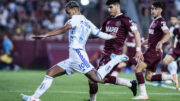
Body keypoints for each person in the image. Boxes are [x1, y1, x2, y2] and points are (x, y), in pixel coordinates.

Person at [20, 1, 129, 101]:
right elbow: (100, 34)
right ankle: (34, 98)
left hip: (78, 54)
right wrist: (110, 36)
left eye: (69, 12)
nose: (68, 15)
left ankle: (116, 60)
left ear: (75, 10)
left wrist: (46, 35)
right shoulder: (88, 22)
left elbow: (64, 28)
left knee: (96, 78)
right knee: (50, 73)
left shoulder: (75, 19)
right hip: (73, 58)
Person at [88, 0, 144, 101]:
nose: (109, 10)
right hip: (105, 54)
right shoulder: (108, 19)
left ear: (117, 6)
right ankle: (130, 83)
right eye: (108, 8)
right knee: (97, 79)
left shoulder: (125, 19)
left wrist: (138, 50)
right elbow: (99, 33)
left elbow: (136, 33)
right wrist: (86, 36)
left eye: (111, 7)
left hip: (113, 55)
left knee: (93, 78)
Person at [133, 2, 177, 99]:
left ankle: (143, 94)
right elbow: (151, 40)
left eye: (155, 9)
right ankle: (170, 77)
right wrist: (140, 43)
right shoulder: (154, 22)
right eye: (152, 9)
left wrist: (161, 42)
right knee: (148, 77)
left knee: (138, 69)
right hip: (153, 52)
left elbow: (168, 34)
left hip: (153, 52)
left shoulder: (161, 21)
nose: (153, 11)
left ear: (160, 10)